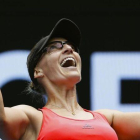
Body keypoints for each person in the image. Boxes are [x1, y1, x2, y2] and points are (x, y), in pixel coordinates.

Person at [0, 18, 140, 140]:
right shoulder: (31, 119)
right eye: (54, 47)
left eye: (72, 46)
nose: (68, 48)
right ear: (38, 71)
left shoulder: (108, 119)